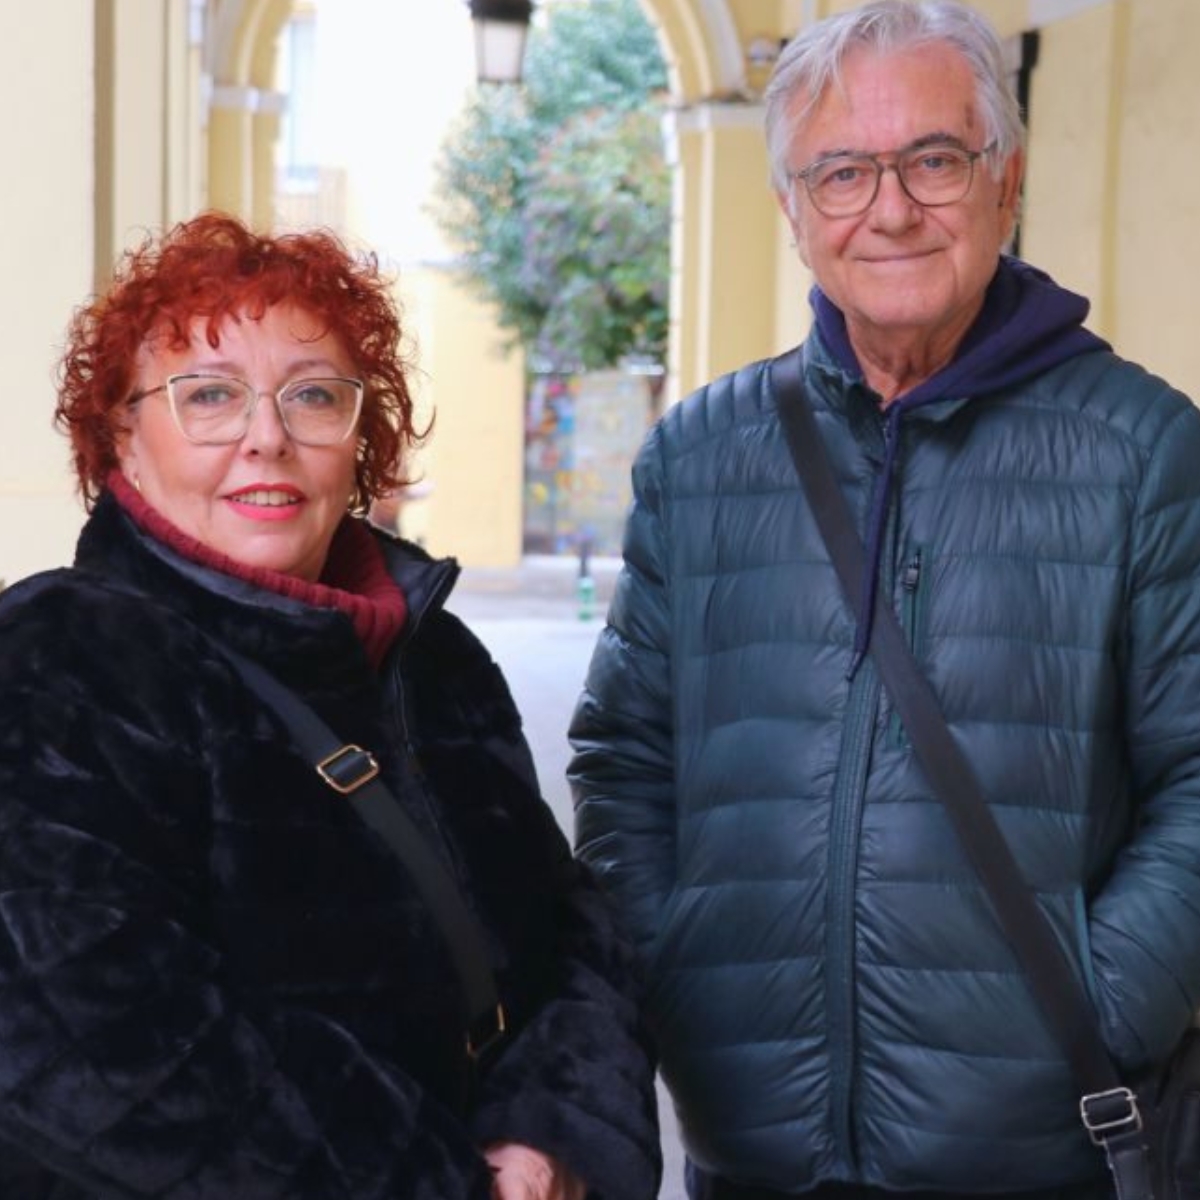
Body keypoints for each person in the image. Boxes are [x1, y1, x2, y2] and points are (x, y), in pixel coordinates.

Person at [568, 2, 1200, 1197]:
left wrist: (1106, 997)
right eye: (844, 171)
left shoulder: (1143, 449)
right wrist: (681, 971)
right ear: (794, 212)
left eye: (935, 160)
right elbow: (624, 753)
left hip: (1043, 1152)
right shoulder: (702, 455)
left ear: (1005, 183)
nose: (892, 207)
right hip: (754, 1147)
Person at [0, 211, 661, 1200]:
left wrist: (549, 1130)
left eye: (313, 396)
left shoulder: (437, 659)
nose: (266, 436)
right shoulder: (63, 656)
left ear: (361, 442)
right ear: (121, 442)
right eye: (209, 396)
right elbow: (97, 1039)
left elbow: (568, 927)